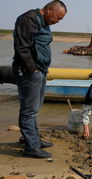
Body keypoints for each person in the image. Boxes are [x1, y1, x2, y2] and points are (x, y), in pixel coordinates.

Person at [12, 0, 67, 158]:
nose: (58, 21)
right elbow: (21, 47)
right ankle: (31, 147)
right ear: (49, 10)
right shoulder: (28, 19)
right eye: (58, 17)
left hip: (40, 71)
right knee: (29, 110)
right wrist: (33, 70)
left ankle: (33, 139)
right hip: (29, 72)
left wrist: (41, 70)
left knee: (34, 109)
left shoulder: (44, 22)